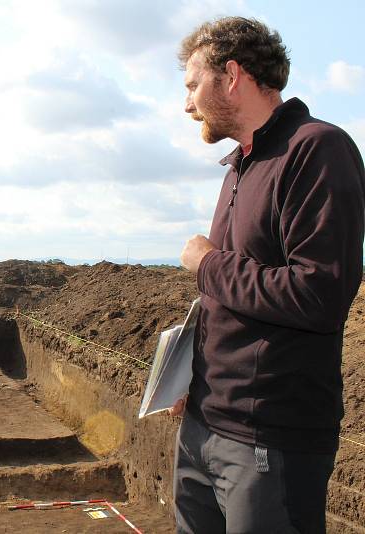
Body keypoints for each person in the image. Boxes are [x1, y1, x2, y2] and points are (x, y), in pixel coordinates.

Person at [172, 17, 365, 534]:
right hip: (202, 424)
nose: (186, 104)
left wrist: (207, 263)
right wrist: (188, 383)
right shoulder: (239, 166)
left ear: (231, 74)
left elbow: (317, 294)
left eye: (193, 85)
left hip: (268, 441)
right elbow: (235, 298)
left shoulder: (317, 150)